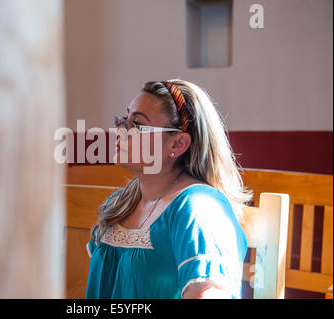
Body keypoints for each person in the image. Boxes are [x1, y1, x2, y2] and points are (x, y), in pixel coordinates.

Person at [85, 79, 252, 299]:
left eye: (136, 125)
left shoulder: (198, 207)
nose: (120, 131)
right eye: (123, 120)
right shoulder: (119, 203)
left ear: (177, 144)